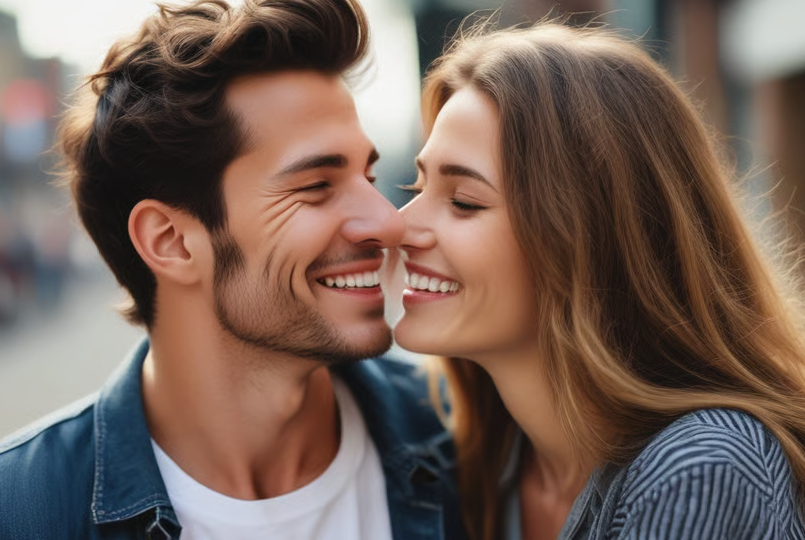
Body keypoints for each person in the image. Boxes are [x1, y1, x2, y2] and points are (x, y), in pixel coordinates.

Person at [0, 1, 465, 539]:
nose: (388, 221)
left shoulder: (474, 446)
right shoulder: (23, 512)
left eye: (369, 174)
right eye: (316, 187)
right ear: (171, 242)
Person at [393, 21, 805, 540]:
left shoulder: (700, 468)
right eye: (417, 185)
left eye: (463, 202)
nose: (400, 225)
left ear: (588, 240)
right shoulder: (480, 466)